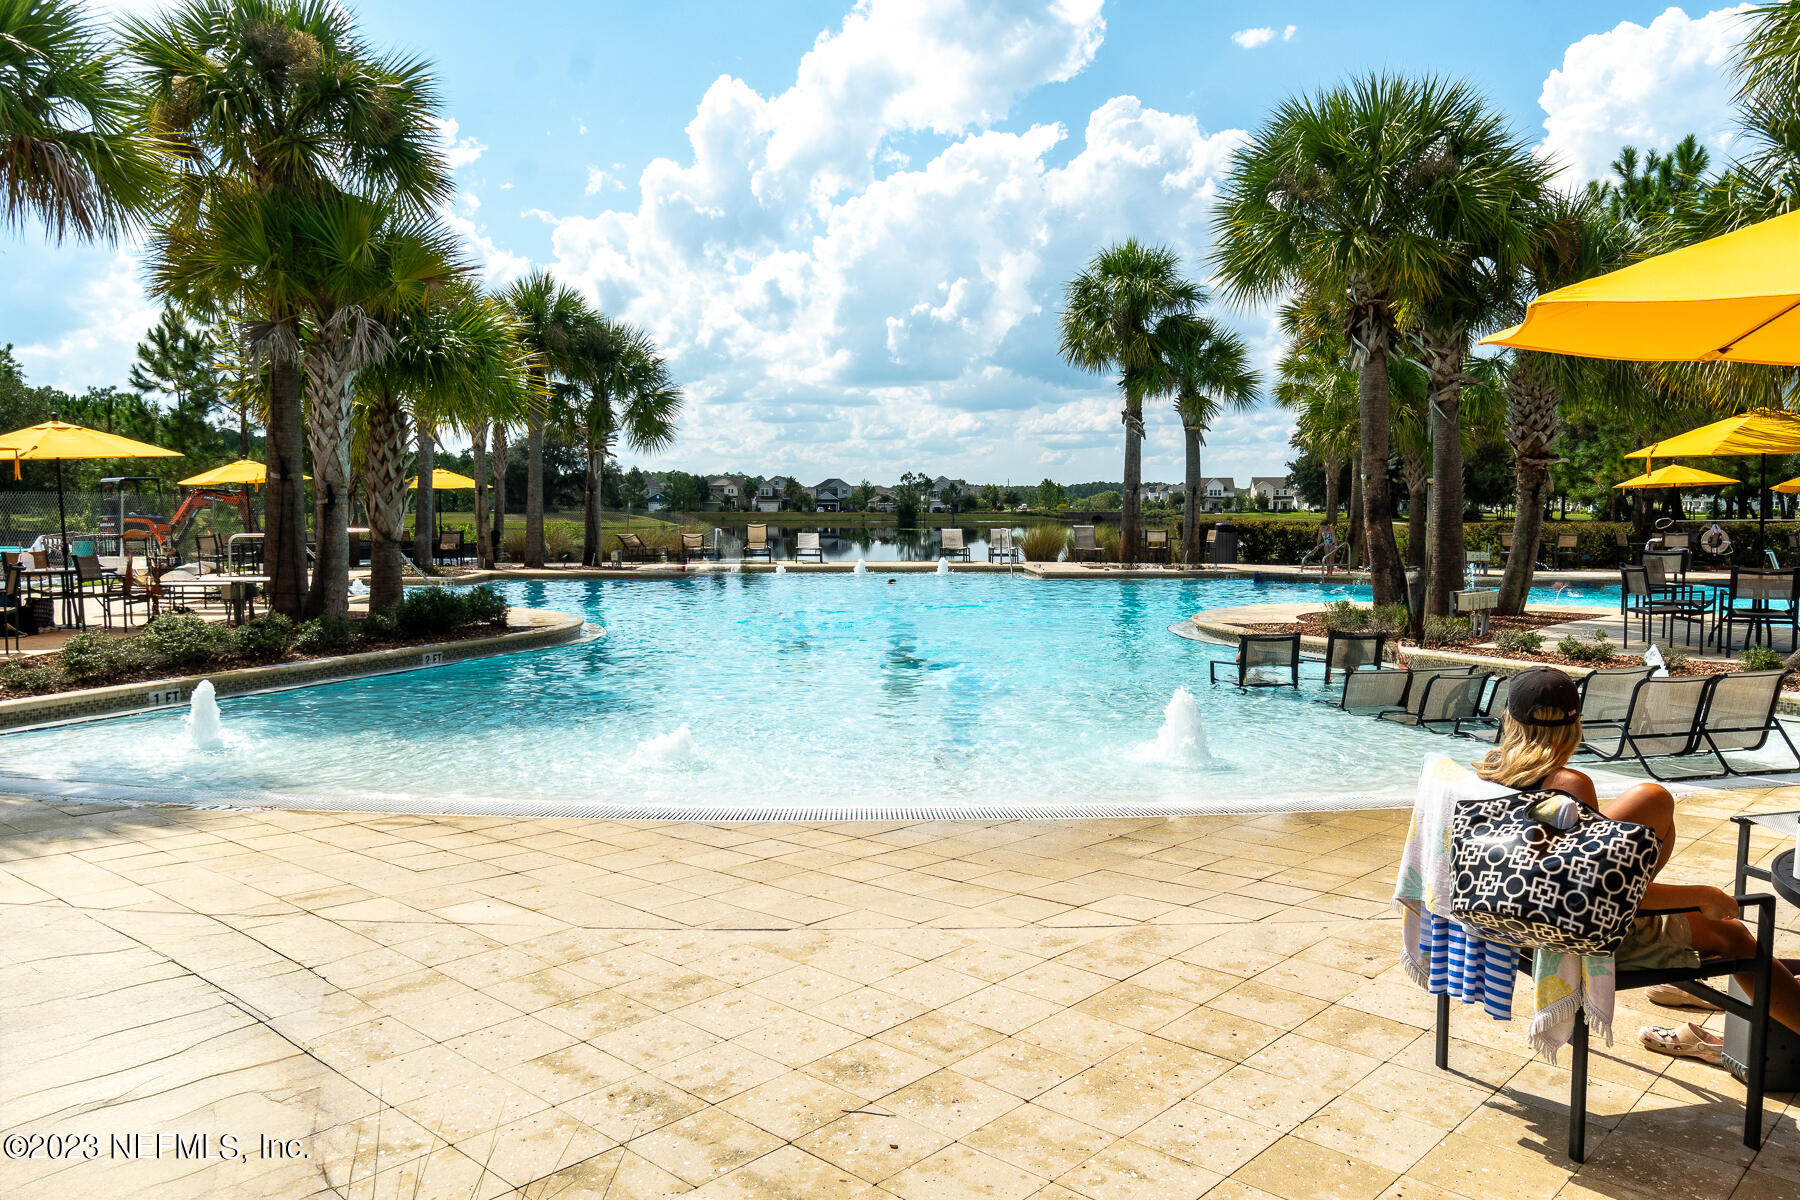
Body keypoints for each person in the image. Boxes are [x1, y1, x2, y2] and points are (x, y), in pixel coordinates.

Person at [1473, 666, 1800, 1062]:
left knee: (1651, 799)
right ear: (1575, 724)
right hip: (1571, 936)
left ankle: (1691, 963)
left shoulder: (1488, 771)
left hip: (1500, 918)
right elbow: (1595, 898)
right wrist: (1704, 896)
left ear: (1509, 718)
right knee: (1730, 932)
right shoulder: (1568, 785)